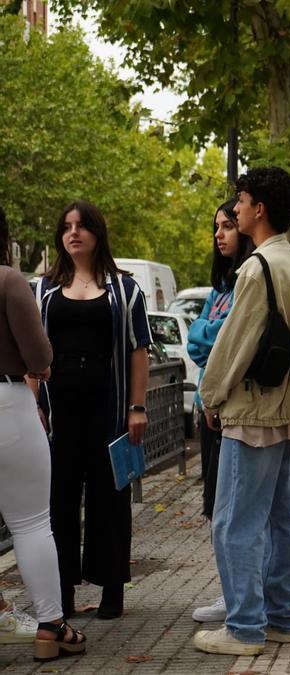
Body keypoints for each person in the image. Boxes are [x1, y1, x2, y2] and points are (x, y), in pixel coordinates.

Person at [193, 167, 290, 656]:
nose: (237, 207)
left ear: (259, 208)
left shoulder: (258, 267)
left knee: (234, 522)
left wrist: (210, 395)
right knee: (282, 518)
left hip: (255, 413)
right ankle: (281, 617)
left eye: (242, 200)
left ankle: (244, 626)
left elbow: (234, 345)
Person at [33, 201, 152, 622]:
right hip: (59, 411)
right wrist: (34, 405)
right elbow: (32, 352)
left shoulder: (126, 289)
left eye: (82, 226)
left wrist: (137, 407)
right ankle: (61, 592)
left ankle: (112, 591)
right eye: (66, 227)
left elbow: (140, 351)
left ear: (97, 233)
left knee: (110, 499)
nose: (73, 233)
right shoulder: (42, 289)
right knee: (58, 501)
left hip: (111, 409)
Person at [0, 205, 87, 661]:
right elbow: (39, 358)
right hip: (8, 405)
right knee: (32, 523)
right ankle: (50, 627)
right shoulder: (9, 281)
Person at [188, 197, 255, 623]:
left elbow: (223, 339)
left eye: (228, 224)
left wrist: (206, 333)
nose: (220, 233)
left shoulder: (249, 281)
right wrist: (206, 332)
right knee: (217, 505)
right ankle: (231, 590)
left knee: (234, 511)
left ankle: (241, 599)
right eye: (217, 226)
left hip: (233, 409)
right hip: (210, 408)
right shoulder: (218, 290)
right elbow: (198, 340)